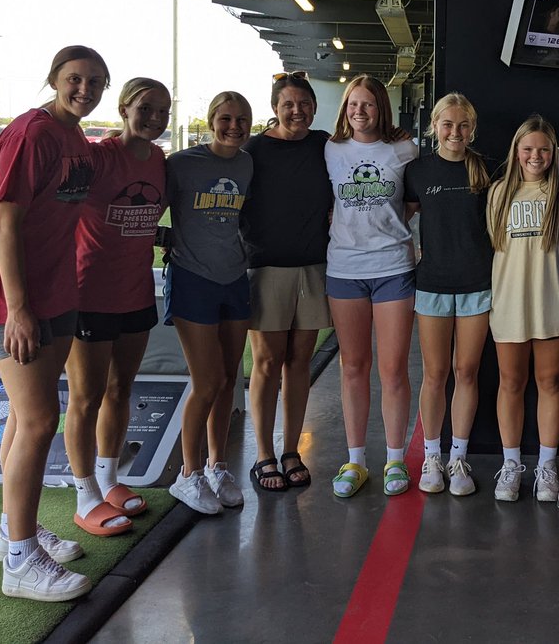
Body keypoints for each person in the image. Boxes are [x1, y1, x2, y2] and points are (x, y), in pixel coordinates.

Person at [0, 45, 106, 602]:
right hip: (17, 299)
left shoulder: (76, 139)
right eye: (75, 78)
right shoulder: (33, 132)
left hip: (58, 291)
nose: (85, 89)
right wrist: (19, 307)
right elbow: (5, 220)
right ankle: (22, 562)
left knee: (28, 418)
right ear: (54, 79)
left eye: (96, 81)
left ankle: (13, 530)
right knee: (40, 420)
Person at [64, 78, 170, 534]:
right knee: (85, 397)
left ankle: (108, 481)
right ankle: (84, 494)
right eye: (145, 108)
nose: (154, 118)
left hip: (136, 292)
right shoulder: (98, 157)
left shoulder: (160, 160)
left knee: (121, 389)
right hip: (89, 294)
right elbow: (45, 197)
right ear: (125, 109)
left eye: (163, 111)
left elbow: (145, 221)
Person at [325, 75, 418, 498]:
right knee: (353, 367)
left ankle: (395, 459)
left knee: (393, 370)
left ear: (381, 108)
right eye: (352, 104)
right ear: (345, 109)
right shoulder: (332, 149)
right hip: (345, 269)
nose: (359, 111)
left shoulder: (404, 150)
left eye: (368, 104)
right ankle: (356, 460)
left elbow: (412, 203)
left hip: (393, 267)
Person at [163, 91, 254, 514]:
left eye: (242, 119)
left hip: (234, 278)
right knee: (207, 381)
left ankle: (218, 467)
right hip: (192, 279)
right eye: (225, 118)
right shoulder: (181, 164)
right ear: (211, 119)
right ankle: (189, 473)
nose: (233, 127)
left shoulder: (247, 163)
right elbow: (144, 210)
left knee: (228, 378)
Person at [242, 72, 331, 491]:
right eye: (288, 105)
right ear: (275, 108)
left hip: (313, 267)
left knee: (299, 362)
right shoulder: (253, 150)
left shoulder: (323, 145)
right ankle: (264, 454)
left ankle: (291, 449)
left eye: (304, 104)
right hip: (266, 269)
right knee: (266, 363)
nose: (297, 111)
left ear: (314, 107)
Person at [404, 93, 493, 496]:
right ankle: (432, 457)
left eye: (463, 125)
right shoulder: (417, 171)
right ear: (435, 126)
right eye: (448, 124)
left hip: (477, 284)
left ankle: (458, 458)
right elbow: (400, 219)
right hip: (433, 284)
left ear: (472, 129)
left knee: (466, 372)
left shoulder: (485, 169)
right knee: (435, 374)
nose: (455, 132)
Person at [485, 116, 559, 502]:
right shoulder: (499, 192)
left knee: (551, 382)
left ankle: (547, 466)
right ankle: (511, 464)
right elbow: (495, 241)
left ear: (553, 153)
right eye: (528, 149)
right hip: (509, 301)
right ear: (516, 151)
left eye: (543, 149)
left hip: (552, 299)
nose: (536, 156)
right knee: (510, 383)